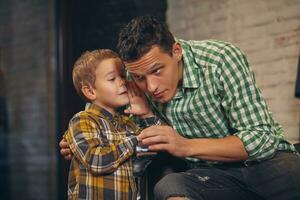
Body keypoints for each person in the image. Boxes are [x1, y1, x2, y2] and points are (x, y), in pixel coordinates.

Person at [60, 16, 300, 200]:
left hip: (265, 163)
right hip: (208, 173)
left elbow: (261, 139)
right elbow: (104, 111)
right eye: (139, 77)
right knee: (169, 185)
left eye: (157, 71)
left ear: (176, 51)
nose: (151, 87)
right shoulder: (135, 82)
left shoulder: (219, 60)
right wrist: (75, 139)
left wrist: (185, 145)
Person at [63, 49, 160, 200]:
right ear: (90, 91)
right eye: (112, 79)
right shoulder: (82, 120)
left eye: (122, 76)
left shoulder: (128, 123)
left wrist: (147, 114)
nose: (122, 82)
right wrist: (136, 141)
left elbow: (157, 147)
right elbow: (96, 161)